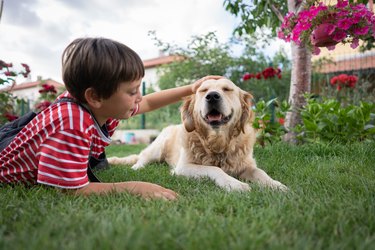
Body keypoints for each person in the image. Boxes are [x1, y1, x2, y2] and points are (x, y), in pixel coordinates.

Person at [0, 37, 221, 200]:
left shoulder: (101, 106)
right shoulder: (71, 124)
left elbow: (149, 102)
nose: (139, 97)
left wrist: (191, 88)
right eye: (132, 91)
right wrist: (135, 187)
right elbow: (73, 190)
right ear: (95, 96)